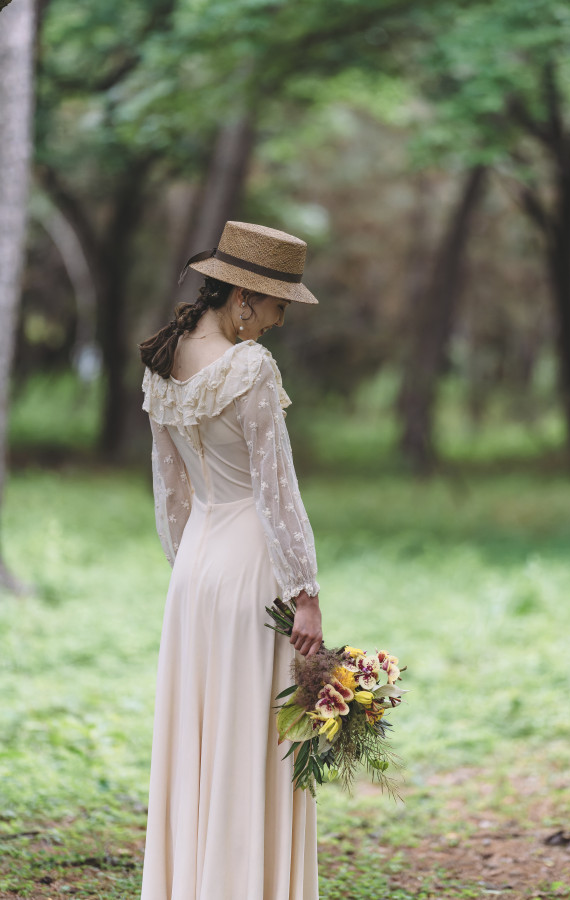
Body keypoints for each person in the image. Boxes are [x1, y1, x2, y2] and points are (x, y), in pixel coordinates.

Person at [138, 221, 322, 900]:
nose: (277, 321)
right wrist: (305, 590)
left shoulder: (165, 360)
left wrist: (191, 567)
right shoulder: (248, 367)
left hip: (195, 569)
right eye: (276, 305)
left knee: (203, 732)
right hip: (249, 563)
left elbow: (171, 490)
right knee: (251, 737)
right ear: (242, 296)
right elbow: (277, 492)